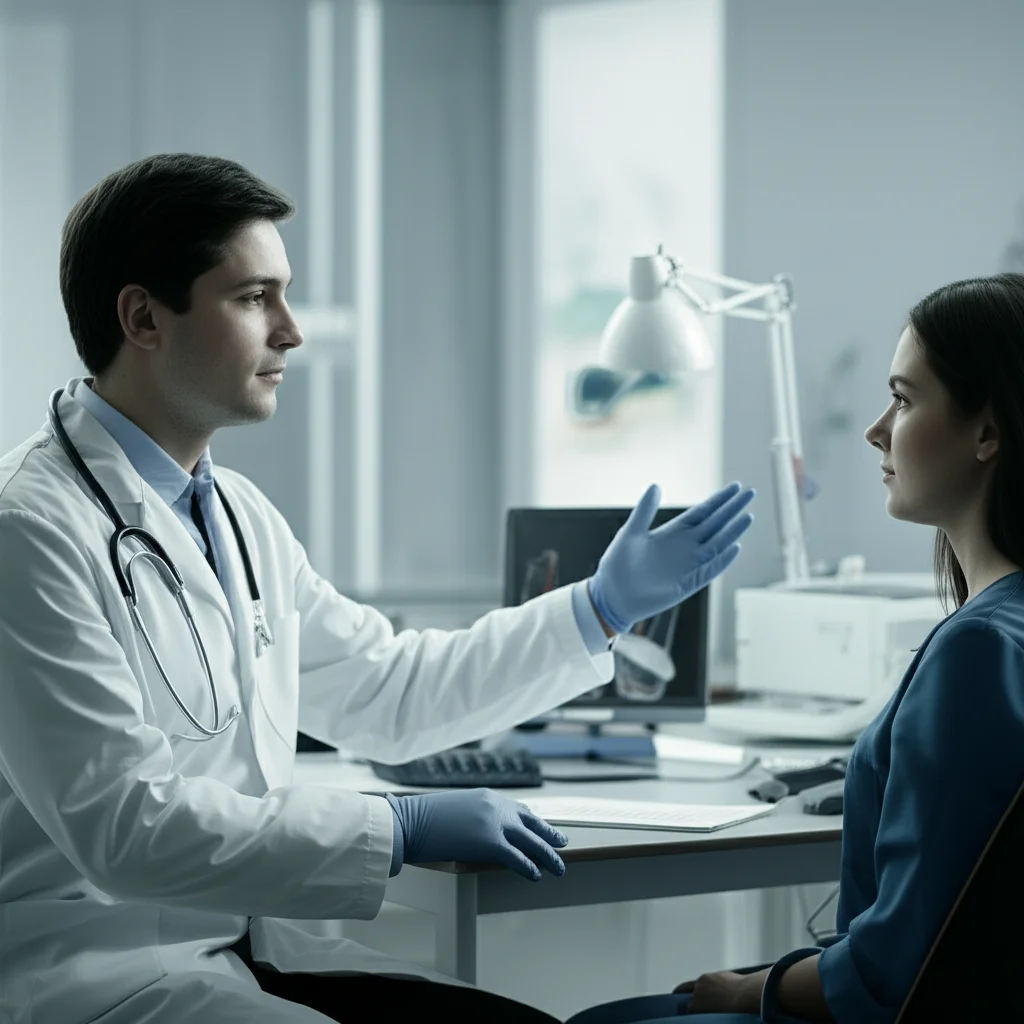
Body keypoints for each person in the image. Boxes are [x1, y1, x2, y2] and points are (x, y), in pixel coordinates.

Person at [0, 153, 755, 1024]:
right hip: (95, 967)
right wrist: (396, 826)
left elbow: (388, 689)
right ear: (143, 317)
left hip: (242, 943)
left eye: (284, 295)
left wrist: (598, 610)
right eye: (254, 298)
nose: (291, 331)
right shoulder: (29, 526)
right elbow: (123, 825)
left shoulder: (235, 513)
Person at [567, 272, 1024, 1024]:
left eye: (904, 400)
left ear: (988, 432)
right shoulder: (1002, 632)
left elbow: (893, 967)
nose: (877, 430)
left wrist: (750, 990)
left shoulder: (978, 651)